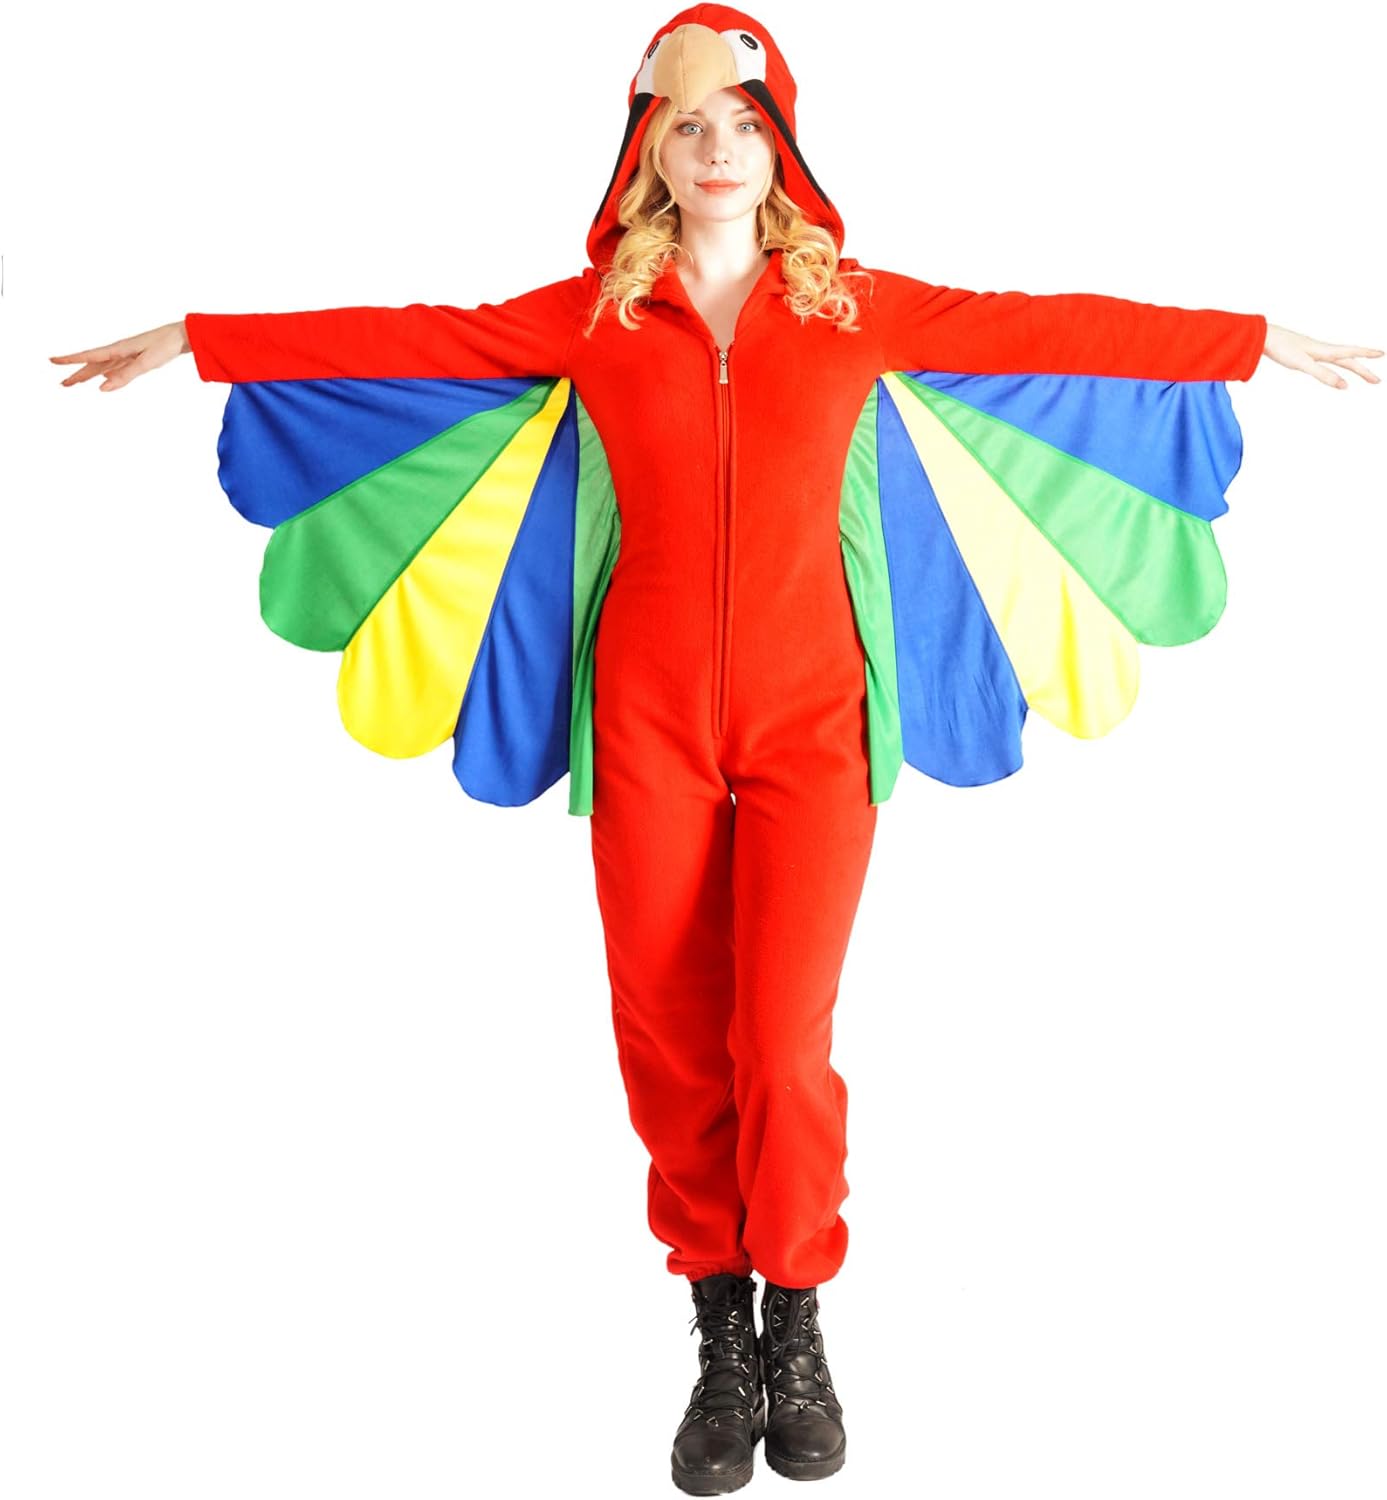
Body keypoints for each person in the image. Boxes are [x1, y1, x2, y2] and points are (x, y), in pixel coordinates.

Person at [49, 5, 1381, 1494]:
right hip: (649, 727)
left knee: (783, 1039)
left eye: (744, 123)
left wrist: (1251, 343)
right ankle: (718, 1328)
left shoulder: (857, 310)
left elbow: (1051, 325)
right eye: (688, 125)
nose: (719, 147)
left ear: (783, 145)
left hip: (817, 729)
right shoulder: (594, 319)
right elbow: (413, 336)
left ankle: (799, 1314)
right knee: (671, 1035)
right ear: (649, 154)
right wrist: (205, 342)